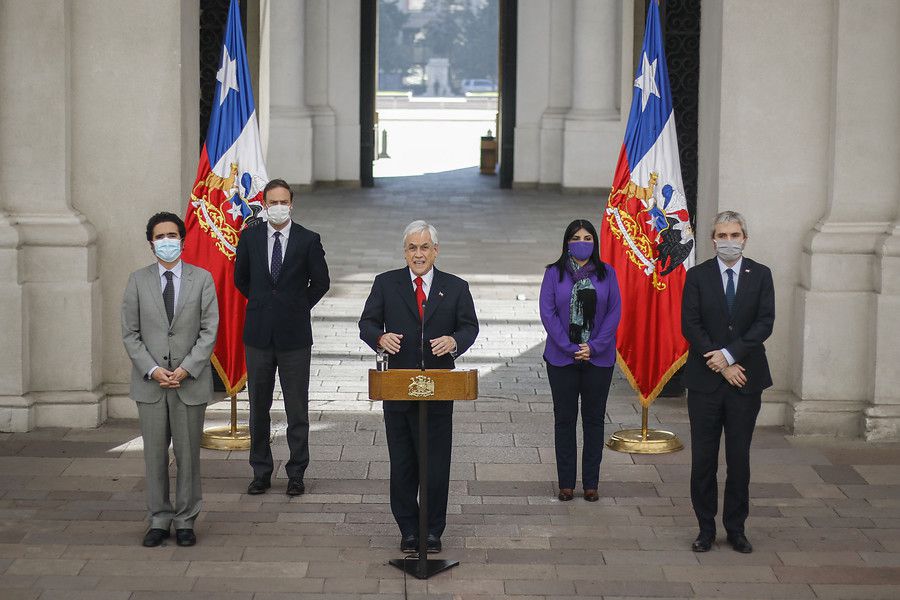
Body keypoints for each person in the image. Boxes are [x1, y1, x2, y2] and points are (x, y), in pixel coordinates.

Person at [359, 220, 479, 554]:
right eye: (412, 247)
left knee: (437, 464)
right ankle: (409, 529)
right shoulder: (386, 284)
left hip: (439, 391)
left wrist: (454, 341)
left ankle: (432, 531)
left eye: (425, 247)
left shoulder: (455, 287)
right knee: (403, 462)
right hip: (398, 389)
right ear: (405, 251)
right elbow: (366, 322)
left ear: (436, 251)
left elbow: (470, 327)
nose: (419, 254)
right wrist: (379, 338)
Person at [121, 212, 219, 547]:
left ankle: (186, 520)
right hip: (151, 383)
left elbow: (209, 331)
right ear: (151, 242)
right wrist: (152, 369)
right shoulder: (137, 280)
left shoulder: (202, 279)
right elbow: (130, 334)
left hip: (189, 381)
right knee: (154, 456)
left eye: (172, 235)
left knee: (189, 454)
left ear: (183, 239)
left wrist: (186, 368)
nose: (167, 242)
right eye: (160, 237)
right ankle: (159, 519)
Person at [682, 210, 774, 554]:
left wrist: (732, 356)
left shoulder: (761, 275)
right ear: (713, 240)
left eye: (735, 235)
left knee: (738, 459)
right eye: (722, 235)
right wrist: (720, 363)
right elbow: (690, 325)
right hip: (706, 383)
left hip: (745, 382)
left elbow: (764, 323)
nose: (729, 241)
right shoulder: (697, 276)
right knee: (703, 460)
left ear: (744, 238)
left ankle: (736, 528)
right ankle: (705, 529)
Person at [234, 179, 330, 496]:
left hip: (294, 337)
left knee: (296, 409)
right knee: (258, 408)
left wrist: (296, 306)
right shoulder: (249, 238)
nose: (277, 206)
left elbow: (321, 282)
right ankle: (261, 471)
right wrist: (264, 303)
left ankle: (296, 472)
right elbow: (241, 279)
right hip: (258, 336)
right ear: (264, 204)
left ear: (291, 203)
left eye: (283, 201)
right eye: (271, 201)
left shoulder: (307, 239)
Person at [539, 219, 621, 503]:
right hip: (562, 358)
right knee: (564, 420)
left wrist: (593, 347)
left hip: (598, 359)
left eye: (588, 238)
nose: (582, 242)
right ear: (567, 242)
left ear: (595, 243)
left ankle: (590, 483)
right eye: (576, 237)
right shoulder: (554, 273)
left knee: (594, 420)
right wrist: (569, 346)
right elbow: (547, 312)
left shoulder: (607, 273)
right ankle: (565, 483)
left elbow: (614, 314)